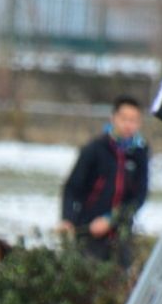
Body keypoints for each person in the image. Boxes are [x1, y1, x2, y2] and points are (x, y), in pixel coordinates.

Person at [57, 95, 149, 269]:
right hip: (88, 230)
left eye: (134, 120)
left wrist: (112, 220)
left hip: (121, 233)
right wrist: (67, 218)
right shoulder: (94, 149)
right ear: (113, 118)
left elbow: (140, 196)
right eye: (124, 119)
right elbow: (72, 188)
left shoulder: (140, 153)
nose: (128, 125)